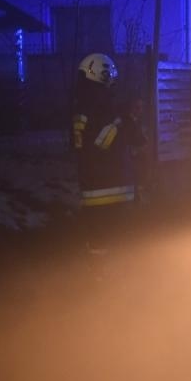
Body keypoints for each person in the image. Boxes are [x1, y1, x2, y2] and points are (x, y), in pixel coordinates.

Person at [71, 52, 143, 255]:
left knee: (99, 246)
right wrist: (127, 119)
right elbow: (127, 140)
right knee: (123, 249)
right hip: (114, 190)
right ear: (103, 75)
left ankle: (98, 272)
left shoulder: (83, 110)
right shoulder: (106, 112)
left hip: (92, 191)